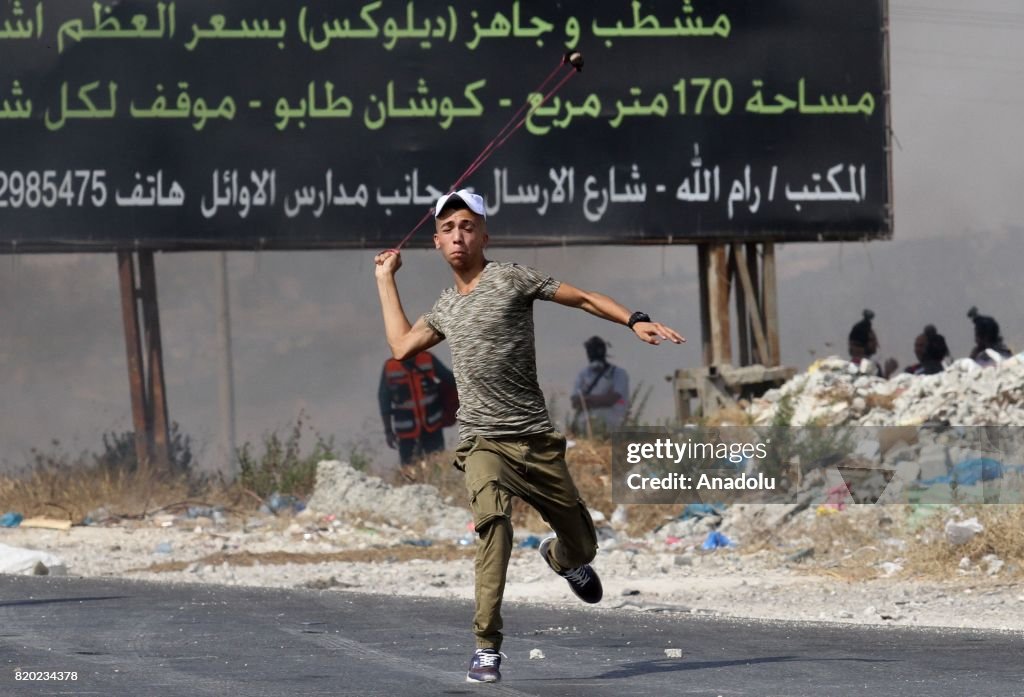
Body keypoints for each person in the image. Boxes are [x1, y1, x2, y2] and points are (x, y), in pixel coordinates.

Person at [373, 188, 684, 683]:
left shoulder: (510, 278)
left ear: (484, 235)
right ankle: (486, 646)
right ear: (436, 242)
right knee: (493, 527)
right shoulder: (446, 307)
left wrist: (635, 320)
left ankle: (562, 559)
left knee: (583, 544)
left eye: (468, 226)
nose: (459, 236)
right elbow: (402, 344)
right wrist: (384, 280)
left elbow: (581, 298)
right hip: (481, 442)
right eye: (448, 228)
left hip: (534, 440)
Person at [378, 350, 457, 474]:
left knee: (438, 468)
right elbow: (384, 401)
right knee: (410, 472)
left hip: (432, 427)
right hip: (406, 434)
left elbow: (451, 380)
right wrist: (388, 431)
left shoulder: (427, 359)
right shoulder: (390, 367)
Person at [569, 336, 630, 436]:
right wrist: (600, 399)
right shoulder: (583, 374)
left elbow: (612, 399)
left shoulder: (618, 373)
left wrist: (586, 400)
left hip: (612, 425)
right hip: (586, 425)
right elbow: (575, 402)